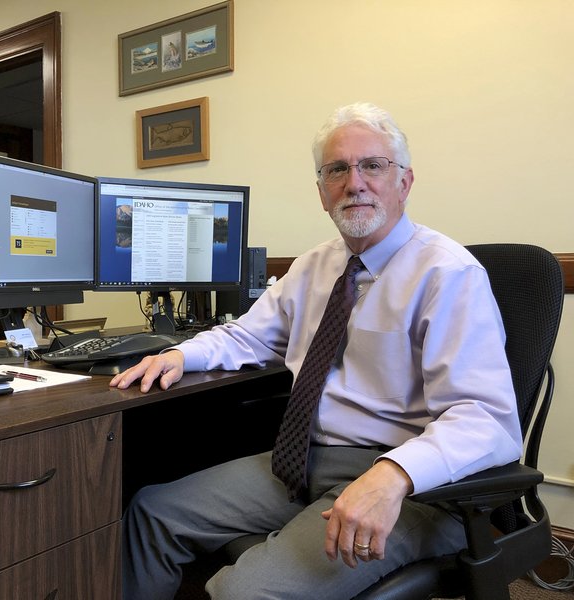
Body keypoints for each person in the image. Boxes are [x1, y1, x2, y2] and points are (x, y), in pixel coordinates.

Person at [111, 102, 522, 600]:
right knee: (152, 513)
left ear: (404, 182)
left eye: (372, 165)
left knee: (246, 592)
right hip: (303, 461)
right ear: (322, 192)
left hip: (412, 485)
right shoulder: (314, 267)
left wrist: (393, 475)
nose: (355, 182)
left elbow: (486, 420)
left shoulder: (447, 275)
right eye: (337, 169)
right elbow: (247, 335)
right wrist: (181, 355)